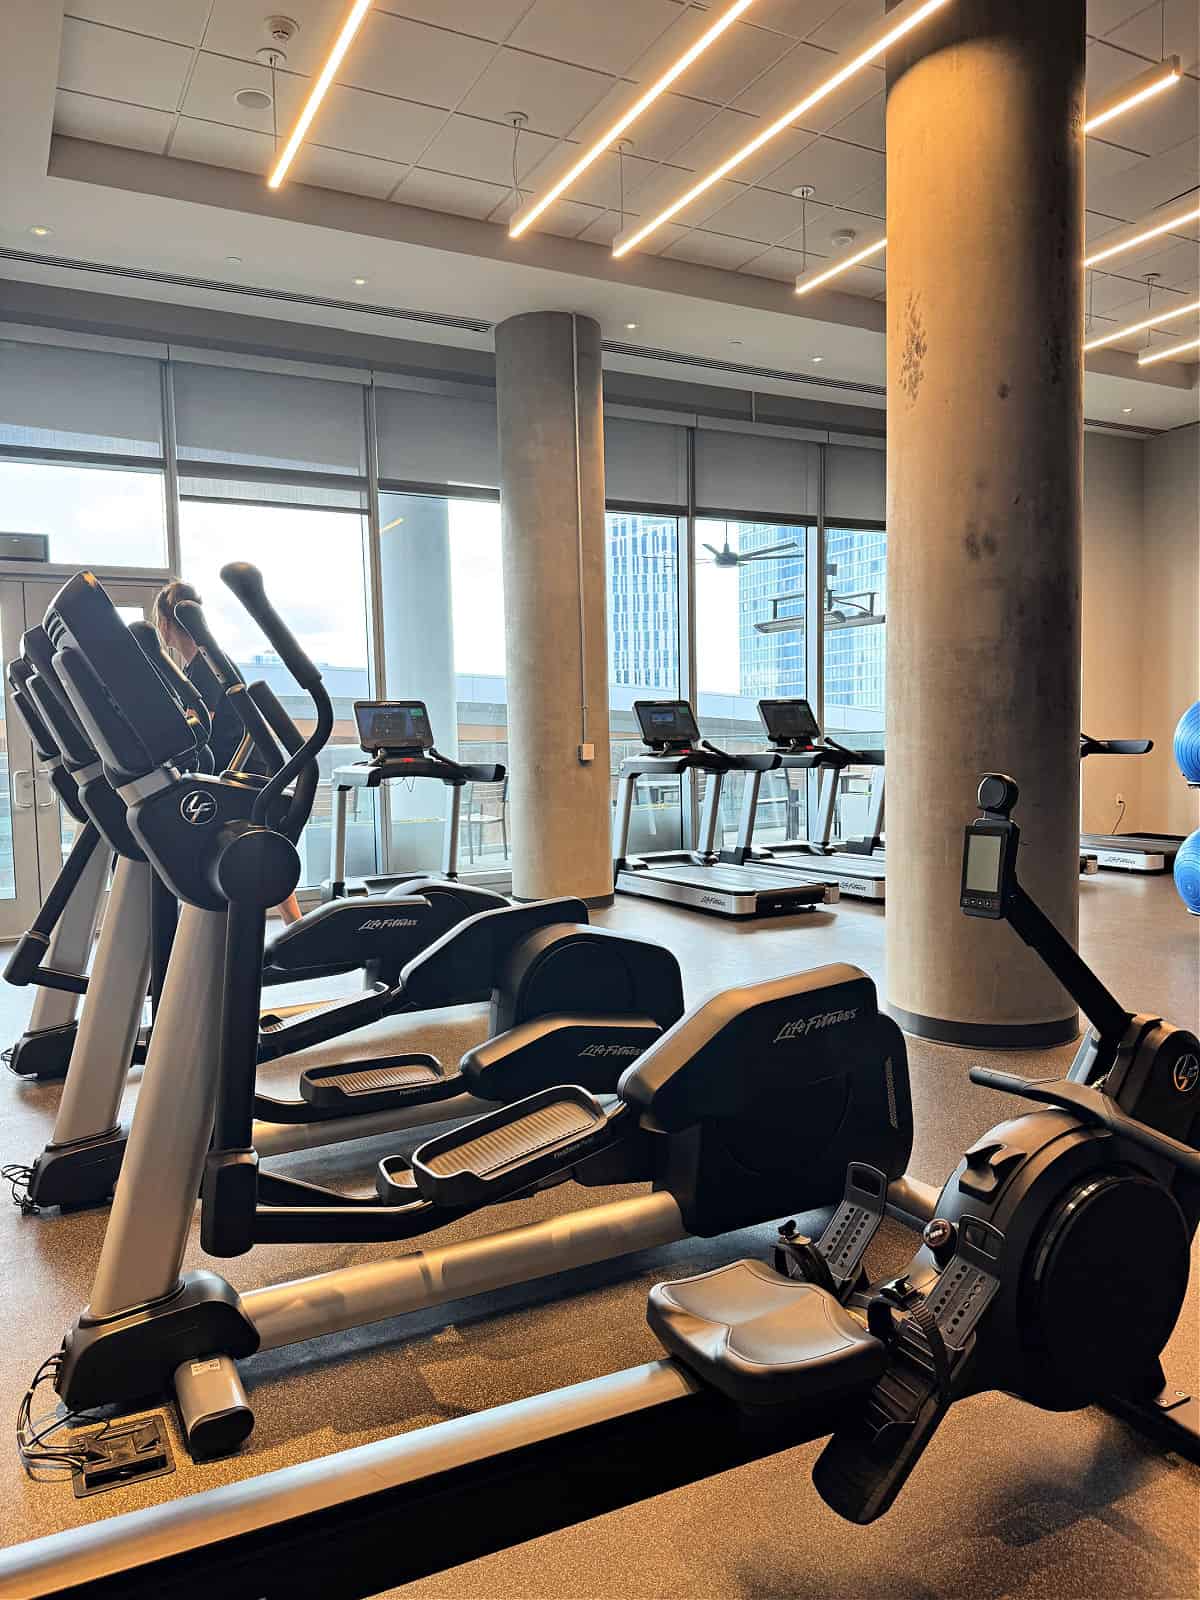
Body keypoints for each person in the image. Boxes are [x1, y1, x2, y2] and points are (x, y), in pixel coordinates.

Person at [154, 580, 302, 925]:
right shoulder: (197, 665)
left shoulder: (206, 664)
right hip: (231, 765)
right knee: (255, 847)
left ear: (164, 625)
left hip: (246, 767)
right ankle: (293, 924)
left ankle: (295, 925)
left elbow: (203, 723)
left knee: (259, 846)